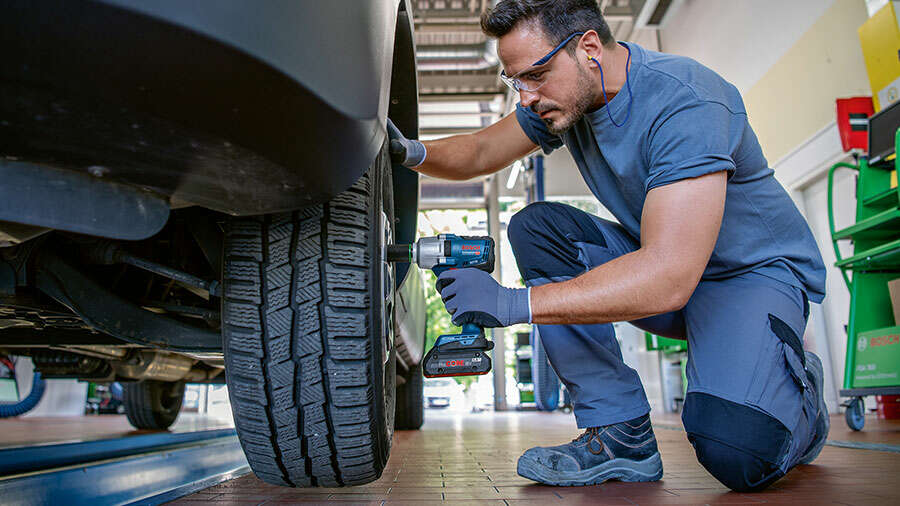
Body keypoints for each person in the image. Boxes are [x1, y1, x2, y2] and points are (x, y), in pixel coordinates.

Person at [387, 0, 828, 492]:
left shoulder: (686, 100)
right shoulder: (566, 100)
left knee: (738, 451)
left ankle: (799, 398)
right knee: (538, 228)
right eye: (518, 81)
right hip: (663, 267)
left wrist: (511, 303)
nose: (526, 96)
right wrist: (407, 151)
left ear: (589, 47)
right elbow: (483, 150)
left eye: (536, 75)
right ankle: (621, 435)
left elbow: (667, 277)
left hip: (747, 277)